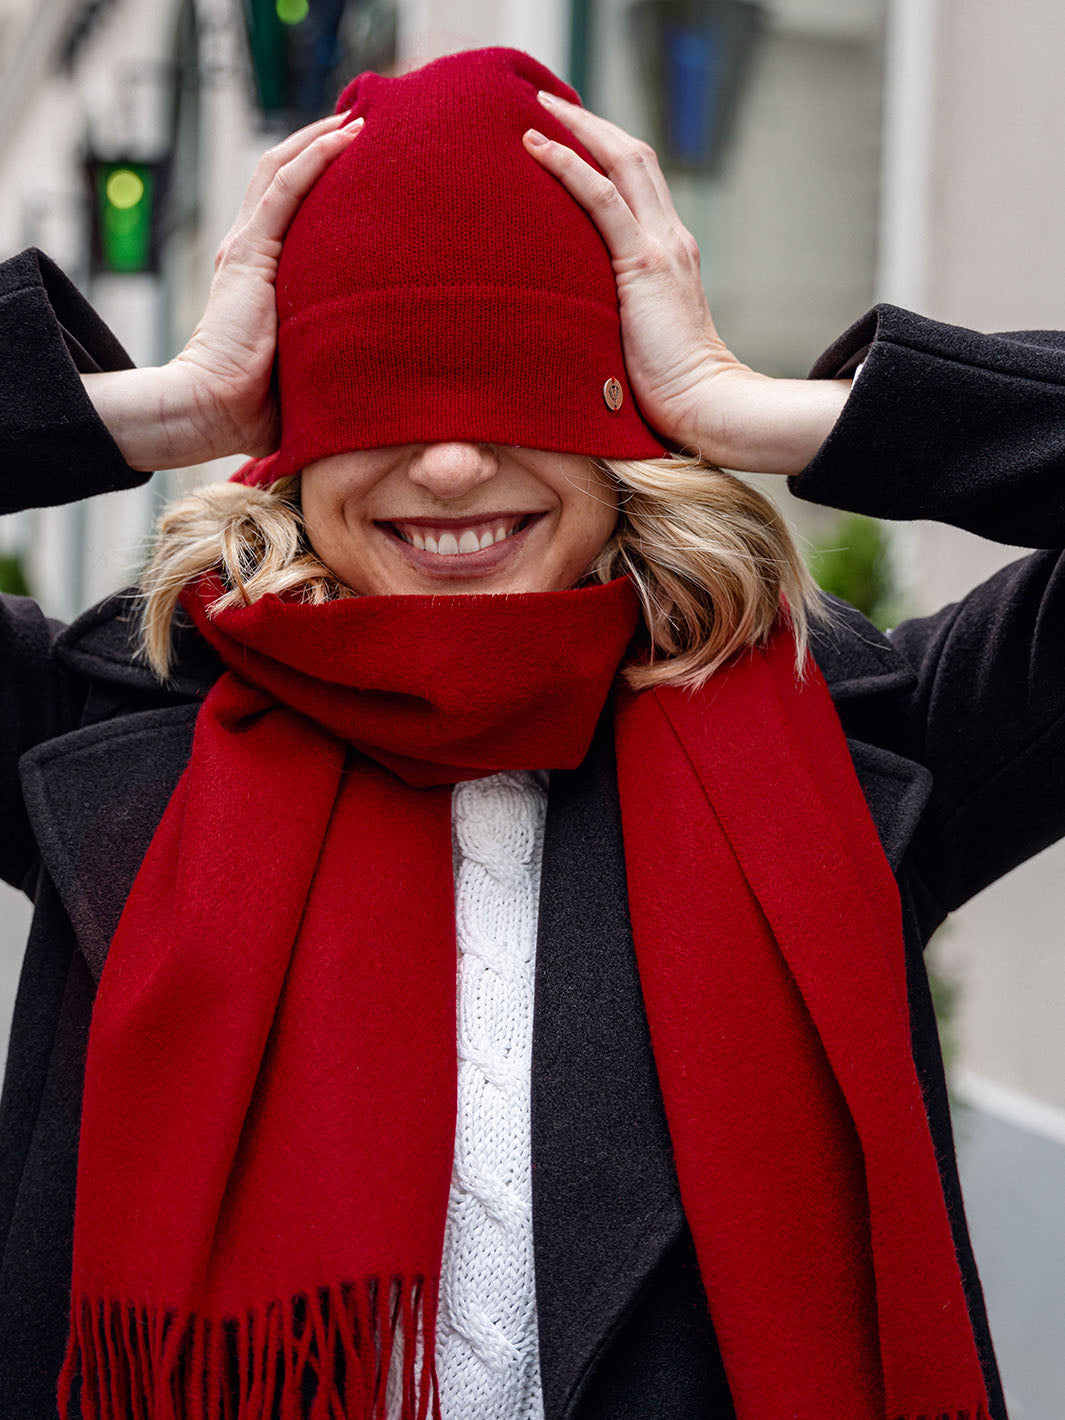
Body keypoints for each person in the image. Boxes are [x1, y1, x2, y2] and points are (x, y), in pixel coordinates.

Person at [1, 43, 1062, 1420]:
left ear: (623, 416)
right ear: (291, 429)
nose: (449, 465)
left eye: (519, 387)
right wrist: (150, 406)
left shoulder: (862, 747)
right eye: (378, 389)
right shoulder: (111, 737)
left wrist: (768, 412)